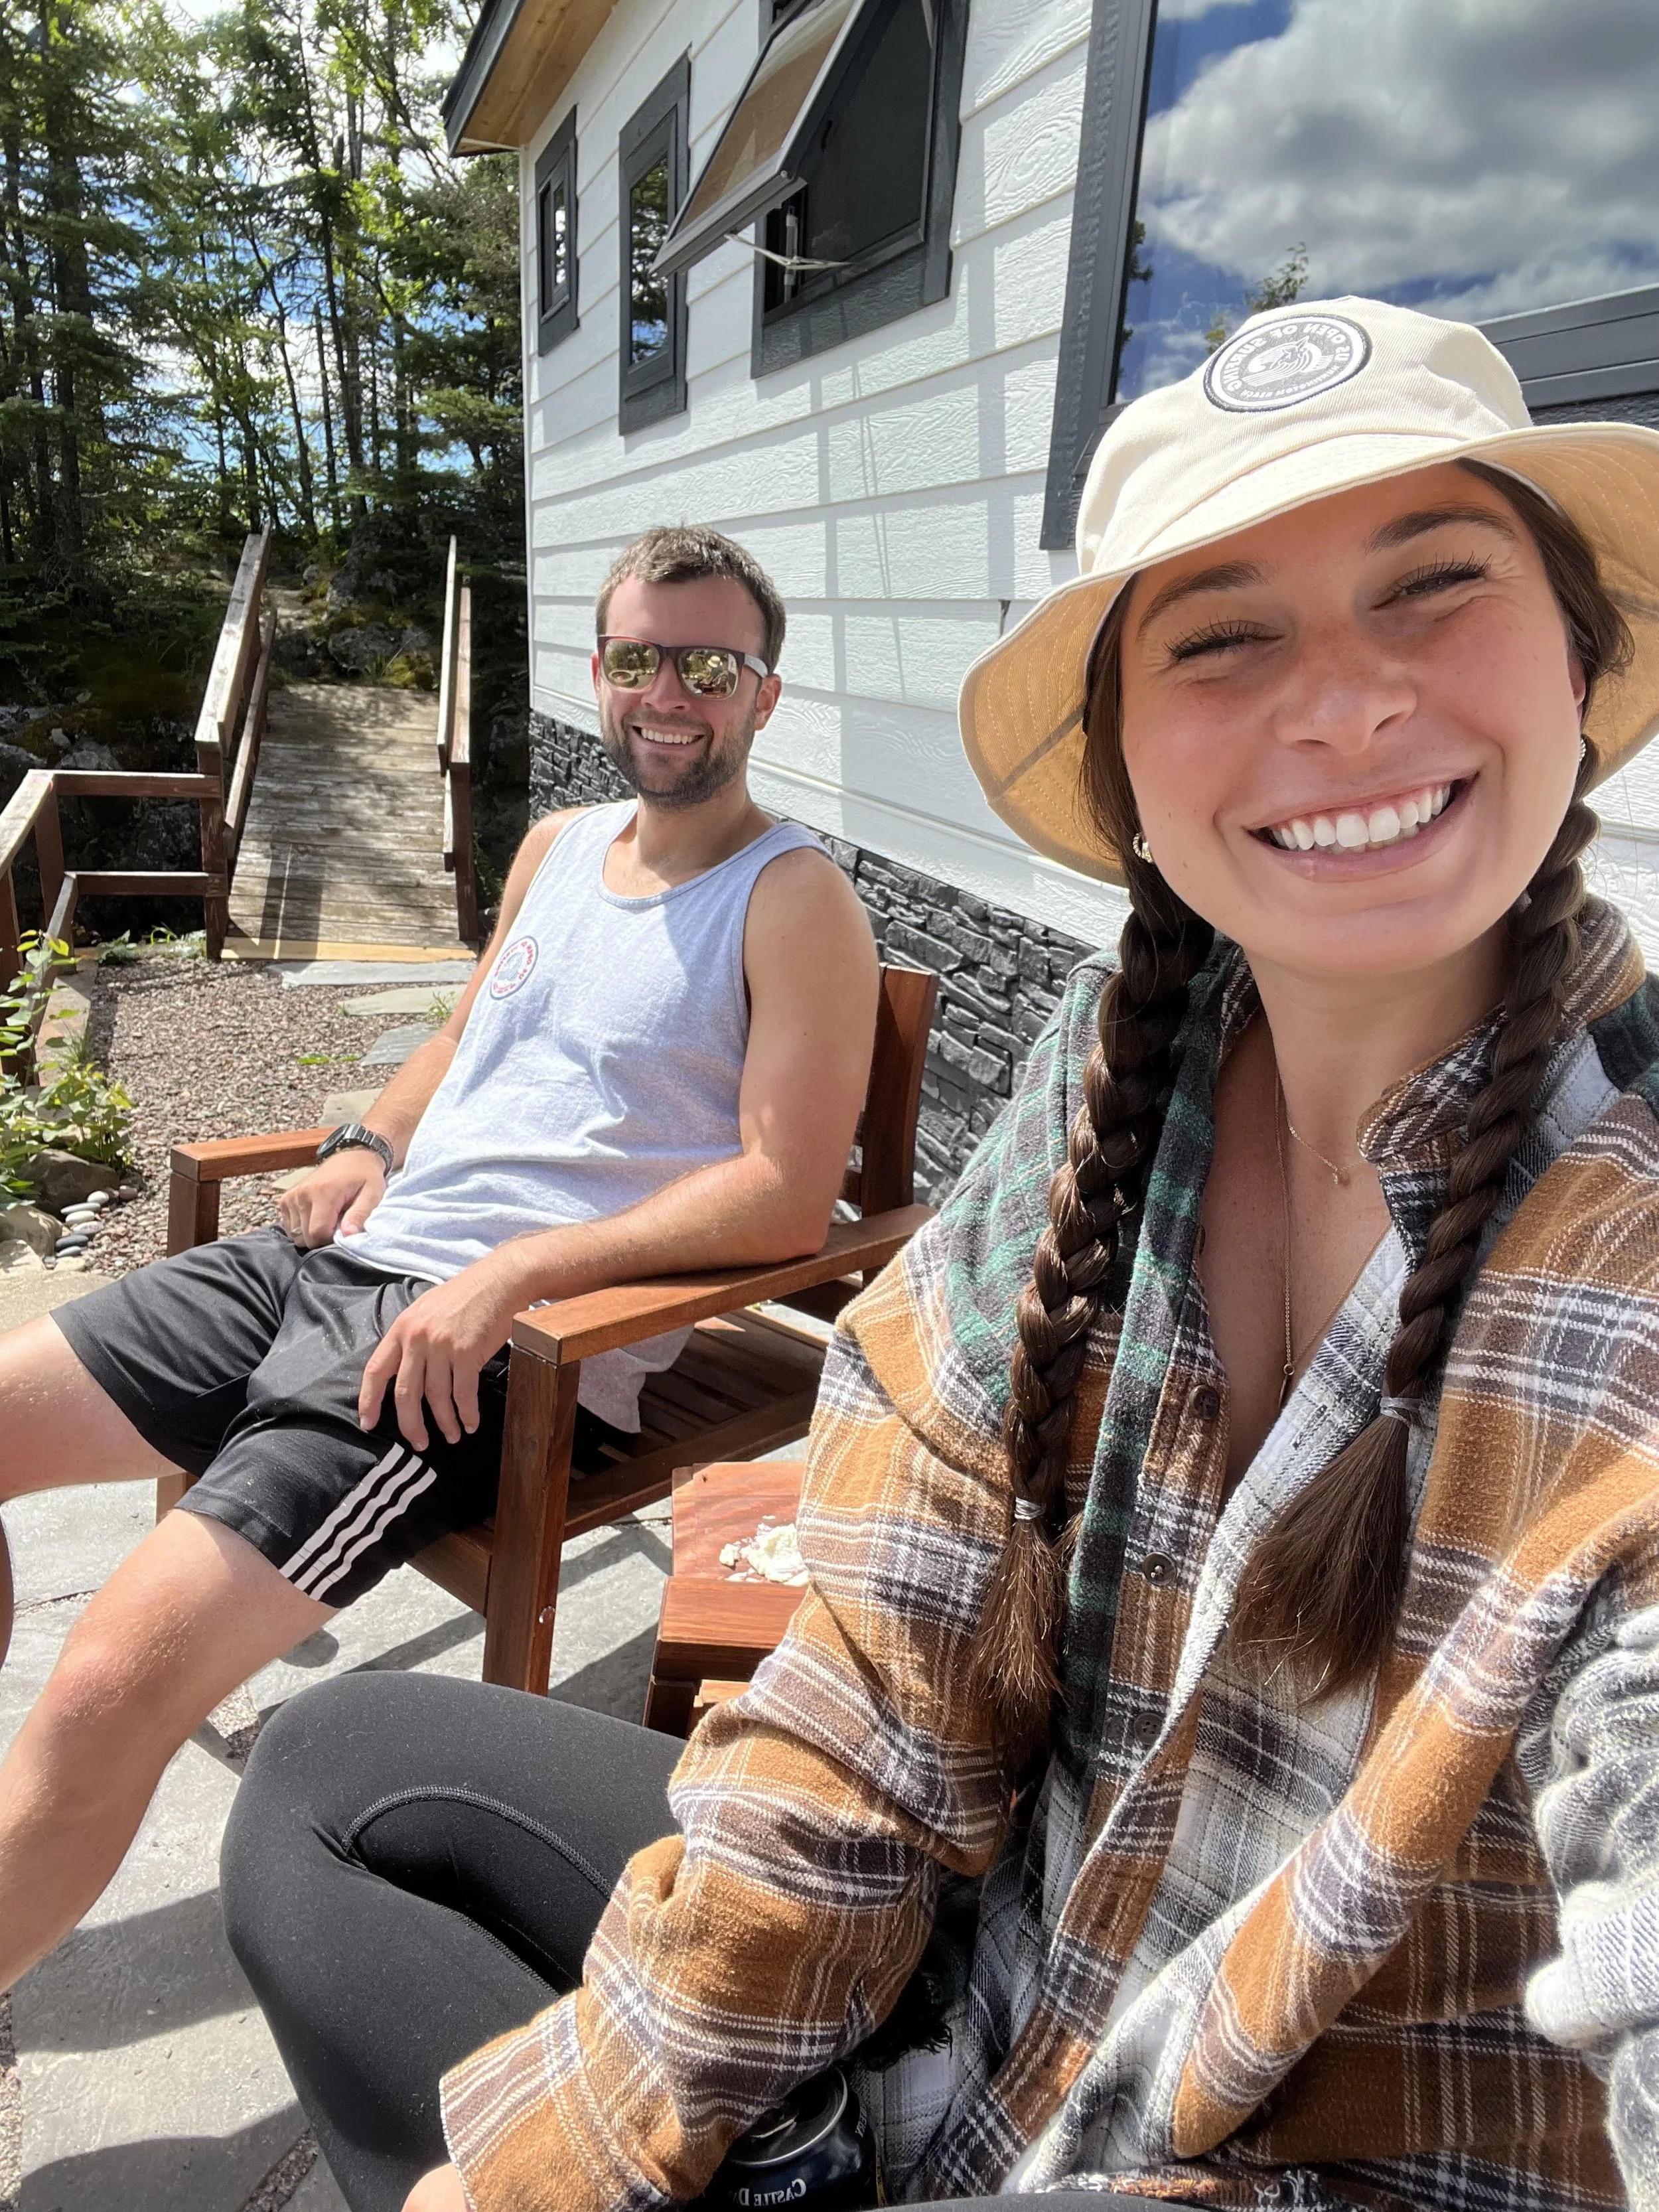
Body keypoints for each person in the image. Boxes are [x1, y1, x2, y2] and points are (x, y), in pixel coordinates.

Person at [224, 298, 1659, 2212]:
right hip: (977, 1995)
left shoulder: (1616, 1244)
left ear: (1580, 660)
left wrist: (511, 1276)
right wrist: (570, 2147)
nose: (1340, 704)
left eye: (1432, 587)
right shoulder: (1110, 1071)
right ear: (1124, 767)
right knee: (326, 1776)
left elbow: (775, 1191)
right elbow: (878, 1688)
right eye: (1221, 634)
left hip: (1270, 2162)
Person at [0, 523, 879, 1997]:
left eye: (710, 667)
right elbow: (466, 1035)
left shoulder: (793, 900)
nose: (669, 693)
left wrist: (517, 1274)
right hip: (339, 1258)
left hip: (471, 1352)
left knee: (101, 1688)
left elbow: (788, 1196)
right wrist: (366, 1137)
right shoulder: (556, 846)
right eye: (639, 658)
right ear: (600, 672)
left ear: (764, 695)